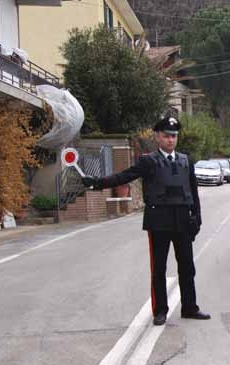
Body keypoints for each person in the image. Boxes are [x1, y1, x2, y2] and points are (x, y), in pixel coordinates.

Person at [82, 116, 210, 326]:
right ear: (158, 137)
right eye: (167, 136)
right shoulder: (148, 161)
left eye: (174, 136)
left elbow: (193, 192)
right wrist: (98, 183)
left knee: (187, 267)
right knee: (159, 268)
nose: (171, 140)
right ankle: (160, 310)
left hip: (183, 221)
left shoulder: (186, 161)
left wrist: (197, 217)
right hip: (159, 221)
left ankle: (189, 307)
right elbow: (125, 176)